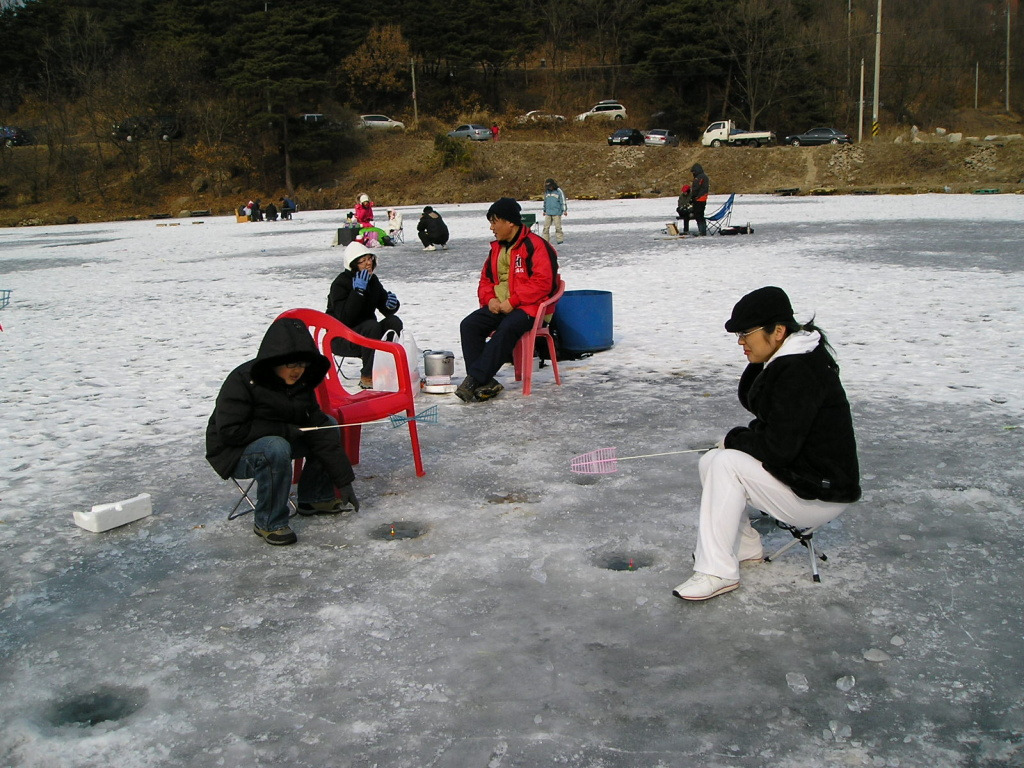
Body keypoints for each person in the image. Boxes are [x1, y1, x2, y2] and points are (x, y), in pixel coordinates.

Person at [672, 286, 861, 601]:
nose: (740, 341)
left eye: (746, 333)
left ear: (779, 331)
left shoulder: (799, 371)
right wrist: (734, 442)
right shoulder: (789, 358)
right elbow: (775, 428)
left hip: (819, 492)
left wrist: (733, 439)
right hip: (805, 477)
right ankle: (744, 549)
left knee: (724, 463)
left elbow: (778, 449)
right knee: (712, 461)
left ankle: (718, 572)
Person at [206, 317, 359, 547]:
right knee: (275, 447)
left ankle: (315, 498)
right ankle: (268, 521)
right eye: (291, 364)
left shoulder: (301, 384)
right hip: (234, 451)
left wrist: (344, 482)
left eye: (302, 364)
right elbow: (230, 432)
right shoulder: (242, 380)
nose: (298, 371)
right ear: (274, 360)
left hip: (281, 440)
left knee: (326, 425)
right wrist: (283, 430)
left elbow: (319, 429)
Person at [456, 197, 559, 403]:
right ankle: (487, 383)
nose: (492, 228)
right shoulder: (495, 249)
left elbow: (543, 283)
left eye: (494, 222)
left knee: (508, 328)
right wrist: (490, 300)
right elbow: (485, 280)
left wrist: (513, 301)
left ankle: (475, 379)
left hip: (531, 309)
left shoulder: (536, 246)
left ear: (509, 222)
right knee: (469, 325)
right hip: (501, 306)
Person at [326, 241, 403, 390]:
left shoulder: (372, 280)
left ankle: (386, 368)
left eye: (369, 259)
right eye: (363, 261)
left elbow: (385, 309)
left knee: (393, 322)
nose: (368, 264)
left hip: (368, 335)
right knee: (371, 325)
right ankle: (367, 376)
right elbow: (345, 318)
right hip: (342, 338)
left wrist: (391, 304)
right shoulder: (340, 283)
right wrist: (357, 293)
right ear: (353, 264)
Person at [542, 178, 567, 244]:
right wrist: (544, 210)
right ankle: (545, 241)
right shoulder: (547, 192)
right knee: (546, 228)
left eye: (550, 186)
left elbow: (563, 201)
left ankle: (560, 240)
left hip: (557, 212)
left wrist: (564, 210)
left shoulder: (559, 191)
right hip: (548, 212)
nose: (549, 188)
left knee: (558, 227)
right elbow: (545, 201)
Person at [689, 164, 709, 236]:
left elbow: (696, 188)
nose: (693, 173)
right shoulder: (704, 176)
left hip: (699, 199)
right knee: (701, 215)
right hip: (702, 198)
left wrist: (693, 196)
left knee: (698, 216)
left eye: (693, 172)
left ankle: (701, 232)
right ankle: (703, 231)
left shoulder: (699, 177)